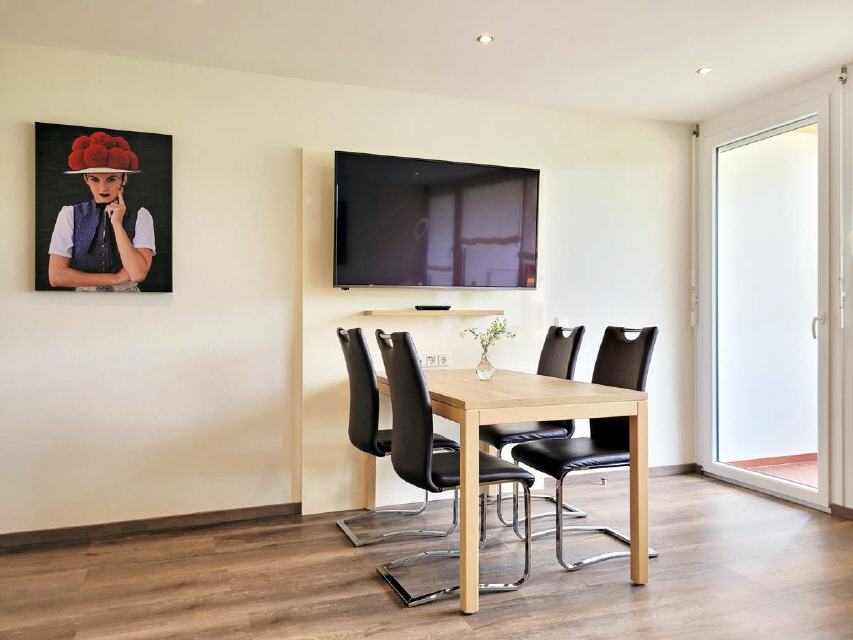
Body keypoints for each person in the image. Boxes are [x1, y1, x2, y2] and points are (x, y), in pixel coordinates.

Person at [48, 131, 155, 292]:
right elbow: (56, 276)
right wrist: (116, 279)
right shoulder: (69, 214)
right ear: (86, 179)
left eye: (111, 179)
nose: (103, 188)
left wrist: (117, 224)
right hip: (83, 299)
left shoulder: (141, 215)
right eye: (94, 179)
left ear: (123, 179)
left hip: (128, 299)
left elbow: (137, 273)